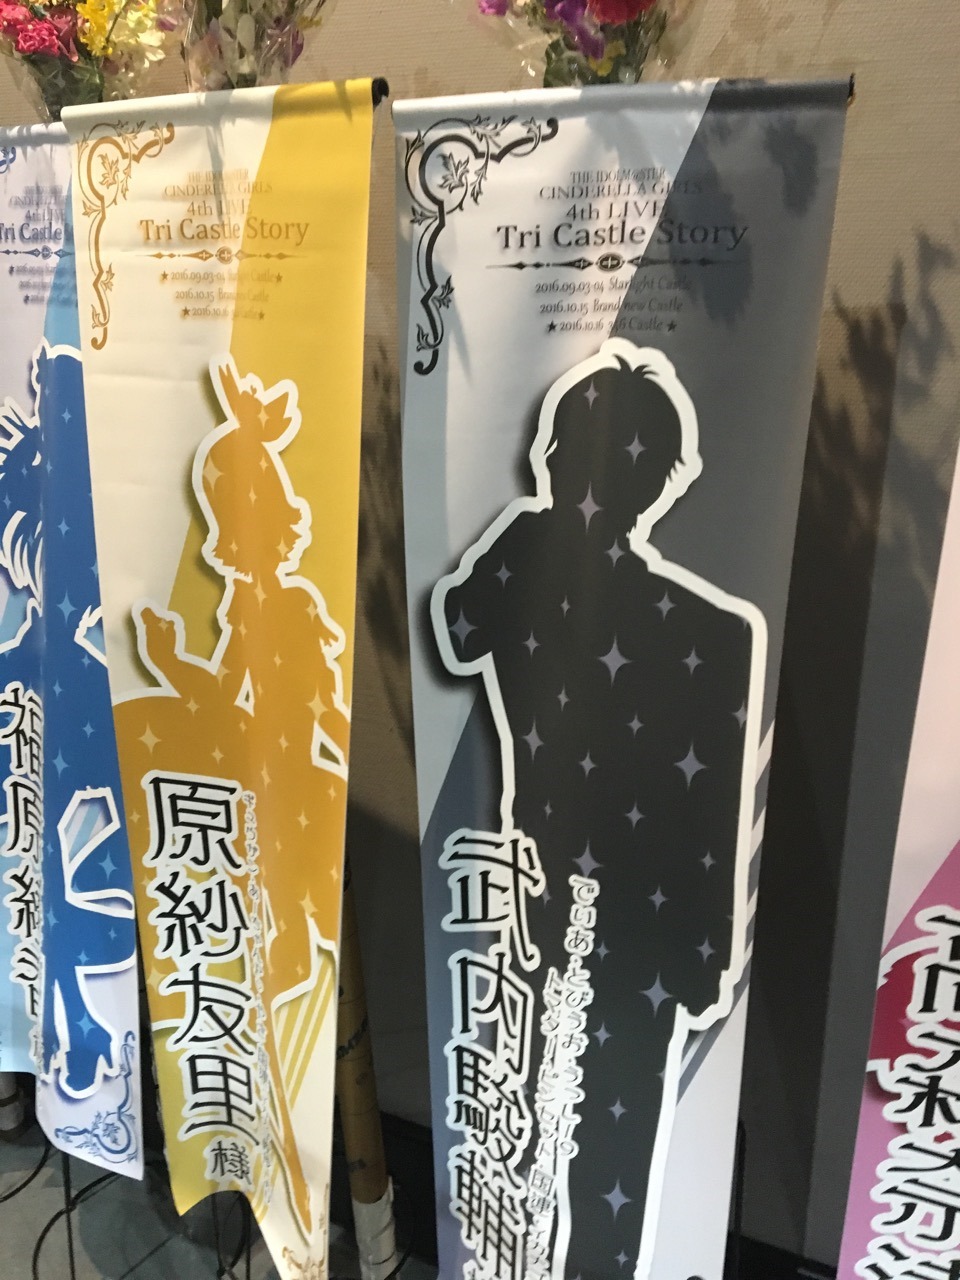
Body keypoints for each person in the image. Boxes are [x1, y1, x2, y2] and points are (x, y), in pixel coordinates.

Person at [434, 339, 766, 1278]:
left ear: (555, 459)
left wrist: (535, 529)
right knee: (590, 1163)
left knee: (554, 1148)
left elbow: (458, 627)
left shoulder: (524, 569)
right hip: (608, 933)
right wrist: (705, 957)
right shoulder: (711, 634)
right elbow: (716, 814)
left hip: (552, 918)